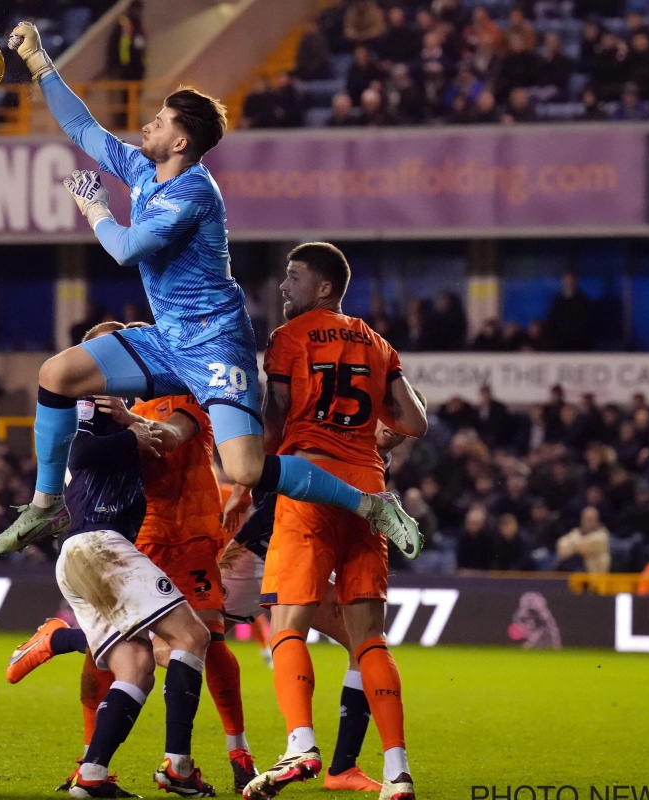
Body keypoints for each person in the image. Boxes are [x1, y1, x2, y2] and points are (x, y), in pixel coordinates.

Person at [0, 23, 424, 563]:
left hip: (216, 344)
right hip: (169, 338)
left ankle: (370, 505)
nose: (146, 125)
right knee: (55, 375)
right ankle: (47, 503)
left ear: (180, 141)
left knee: (244, 468)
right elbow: (83, 128)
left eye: (160, 120)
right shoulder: (146, 169)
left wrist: (95, 208)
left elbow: (126, 249)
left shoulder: (192, 192)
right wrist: (39, 64)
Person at [9, 353, 259, 793]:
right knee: (179, 642)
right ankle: (155, 764)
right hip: (124, 544)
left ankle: (99, 772)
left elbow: (169, 436)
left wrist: (130, 423)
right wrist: (125, 424)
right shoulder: (95, 410)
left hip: (186, 539)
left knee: (156, 655)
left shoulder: (182, 396)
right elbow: (80, 452)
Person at [241, 242, 426, 800]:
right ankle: (397, 772)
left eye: (294, 277)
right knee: (370, 640)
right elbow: (414, 420)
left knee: (288, 623)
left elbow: (272, 426)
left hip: (311, 486)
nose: (283, 287)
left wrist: (252, 457)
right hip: (371, 489)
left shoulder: (287, 339)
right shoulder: (377, 341)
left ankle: (301, 744)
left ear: (324, 288)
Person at [220, 411, 419, 793]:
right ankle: (218, 752)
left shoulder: (377, 465)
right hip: (260, 550)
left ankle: (341, 767)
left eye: (402, 433)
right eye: (388, 422)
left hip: (308, 551)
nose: (394, 432)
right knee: (184, 644)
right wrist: (242, 490)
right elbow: (264, 452)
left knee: (359, 644)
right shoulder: (326, 432)